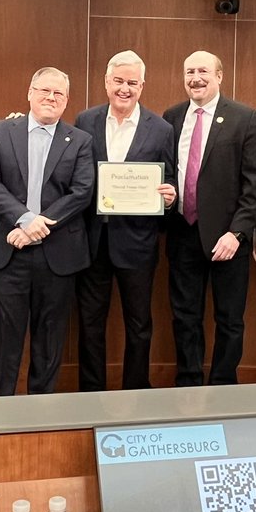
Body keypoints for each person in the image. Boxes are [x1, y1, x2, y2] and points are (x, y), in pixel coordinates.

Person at [0, 67, 94, 395]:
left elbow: (82, 192)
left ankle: (41, 412)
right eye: (44, 90)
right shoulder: (2, 131)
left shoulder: (80, 140)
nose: (50, 98)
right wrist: (24, 219)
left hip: (58, 256)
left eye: (58, 94)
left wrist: (34, 227)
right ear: (30, 93)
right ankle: (0, 411)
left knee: (50, 339)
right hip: (9, 252)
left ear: (67, 100)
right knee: (6, 338)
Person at [74, 50, 177, 391]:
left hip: (137, 242)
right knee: (90, 323)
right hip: (91, 240)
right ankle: (91, 393)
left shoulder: (161, 129)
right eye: (118, 81)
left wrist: (169, 195)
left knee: (139, 324)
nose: (124, 88)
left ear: (142, 86)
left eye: (132, 82)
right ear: (106, 82)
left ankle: (136, 391)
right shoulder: (84, 121)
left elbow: (170, 178)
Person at [163, 50, 256, 386]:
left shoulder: (244, 117)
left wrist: (237, 233)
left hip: (227, 239)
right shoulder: (172, 117)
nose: (196, 78)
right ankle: (188, 382)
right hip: (182, 232)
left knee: (230, 319)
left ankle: (223, 385)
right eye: (190, 71)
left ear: (220, 76)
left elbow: (254, 184)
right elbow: (166, 172)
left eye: (203, 71)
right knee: (184, 316)